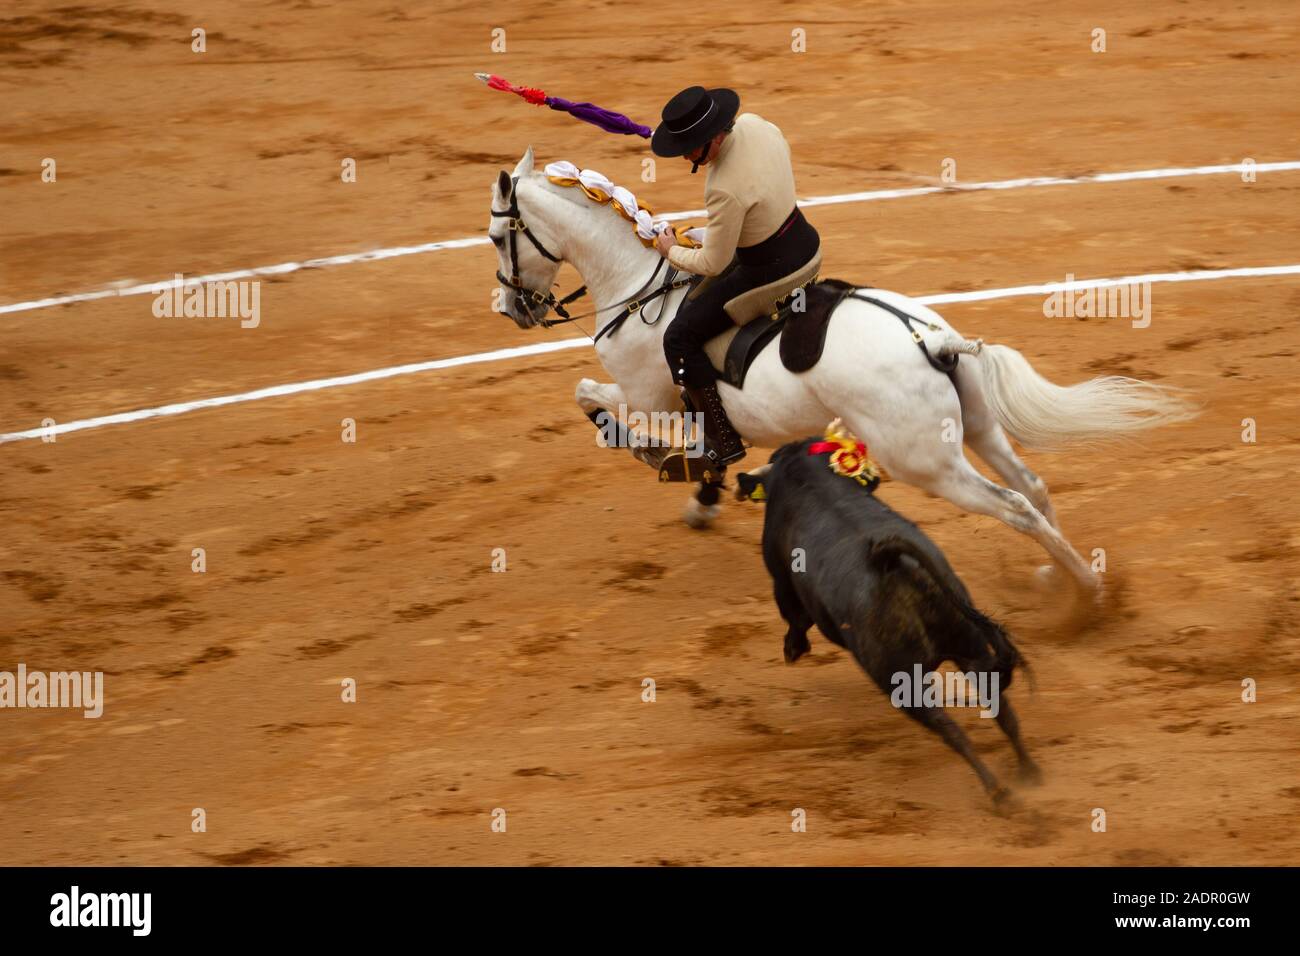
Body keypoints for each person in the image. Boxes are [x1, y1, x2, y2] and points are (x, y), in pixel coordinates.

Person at [650, 86, 822, 480]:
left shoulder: (721, 188)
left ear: (713, 136)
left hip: (771, 272)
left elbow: (714, 263)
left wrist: (670, 250)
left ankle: (721, 440)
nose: (687, 157)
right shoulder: (756, 125)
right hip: (804, 239)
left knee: (679, 336)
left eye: (691, 148)